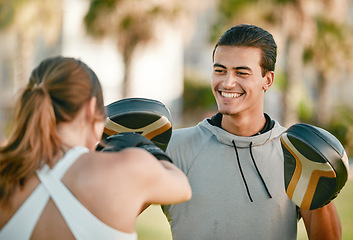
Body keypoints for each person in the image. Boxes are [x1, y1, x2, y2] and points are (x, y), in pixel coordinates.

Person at [162, 24, 342, 240]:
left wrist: (321, 186)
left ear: (268, 80)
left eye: (241, 72)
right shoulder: (172, 147)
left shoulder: (297, 153)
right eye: (220, 70)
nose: (227, 82)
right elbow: (114, 219)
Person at [0, 56, 192, 240]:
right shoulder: (127, 167)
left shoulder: (5, 172)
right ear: (91, 108)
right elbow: (182, 187)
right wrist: (145, 148)